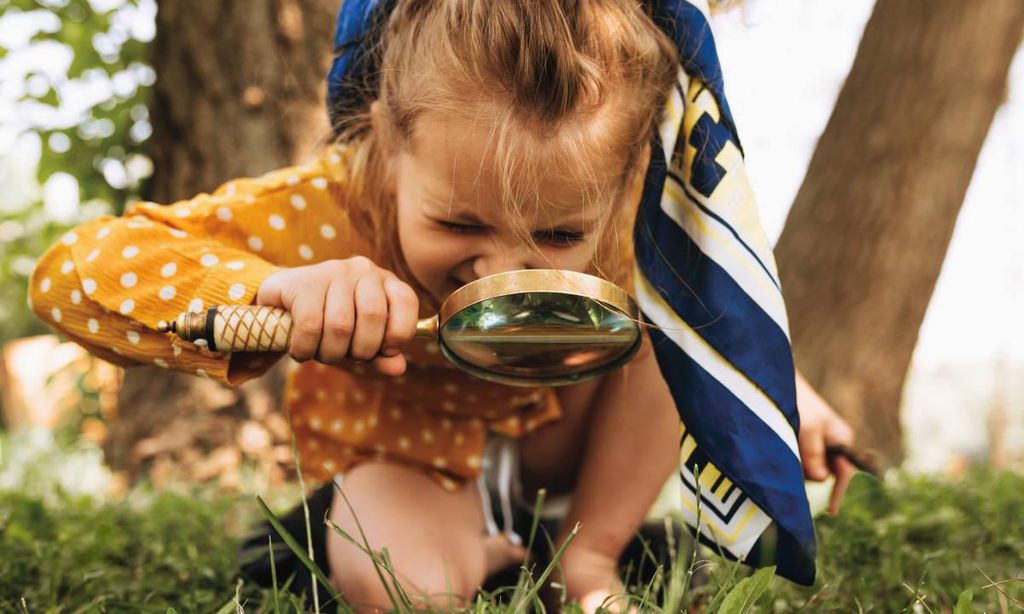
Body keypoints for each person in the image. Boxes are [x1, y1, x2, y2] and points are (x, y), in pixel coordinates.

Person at [29, 0, 855, 610]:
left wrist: (783, 396)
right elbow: (72, 276)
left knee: (664, 313)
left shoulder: (639, 208)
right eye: (459, 222)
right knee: (408, 589)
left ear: (624, 172)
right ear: (388, 141)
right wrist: (262, 291)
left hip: (567, 456)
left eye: (558, 235)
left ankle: (592, 560)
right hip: (407, 460)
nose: (502, 266)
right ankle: (470, 555)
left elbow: (716, 312)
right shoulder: (330, 210)